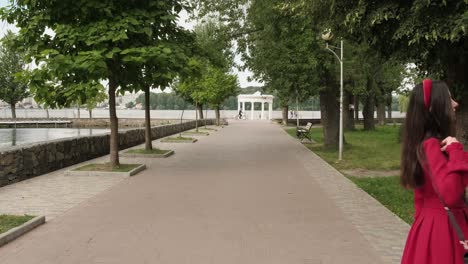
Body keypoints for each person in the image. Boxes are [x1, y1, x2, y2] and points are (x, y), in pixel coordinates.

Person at [401, 79, 468, 263]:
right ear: (434, 108)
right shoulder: (431, 146)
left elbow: (419, 199)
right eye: (449, 99)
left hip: (433, 227)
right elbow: (451, 195)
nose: (455, 104)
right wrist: (456, 151)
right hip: (443, 232)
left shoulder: (428, 144)